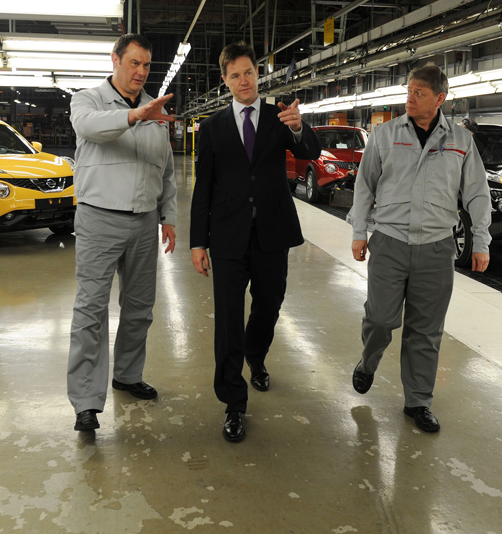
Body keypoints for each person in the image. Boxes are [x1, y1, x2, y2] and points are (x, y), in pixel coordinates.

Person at [347, 64, 491, 433]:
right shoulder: (385, 135)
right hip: (390, 243)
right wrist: (359, 231)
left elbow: (476, 193)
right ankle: (367, 362)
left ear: (440, 99)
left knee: (425, 330)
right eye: (409, 91)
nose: (410, 98)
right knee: (380, 320)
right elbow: (365, 186)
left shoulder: (460, 141)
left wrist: (482, 240)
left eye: (419, 93)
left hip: (437, 248)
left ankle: (418, 401)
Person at [190, 41, 321, 443]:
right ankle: (233, 402)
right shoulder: (211, 127)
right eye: (235, 75)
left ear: (257, 74)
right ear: (225, 80)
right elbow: (203, 188)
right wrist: (198, 242)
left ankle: (256, 355)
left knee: (270, 304)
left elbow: (311, 151)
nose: (243, 80)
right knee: (228, 318)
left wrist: (299, 127)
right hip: (227, 236)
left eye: (249, 72)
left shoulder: (278, 117)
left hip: (271, 233)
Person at [67, 33, 177, 432]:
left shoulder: (157, 114)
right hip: (99, 218)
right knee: (91, 310)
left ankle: (127, 374)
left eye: (147, 65)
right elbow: (91, 128)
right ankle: (85, 400)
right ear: (115, 59)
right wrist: (135, 116)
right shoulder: (88, 99)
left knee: (139, 307)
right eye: (134, 63)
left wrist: (169, 217)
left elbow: (165, 172)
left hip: (145, 221)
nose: (141, 72)